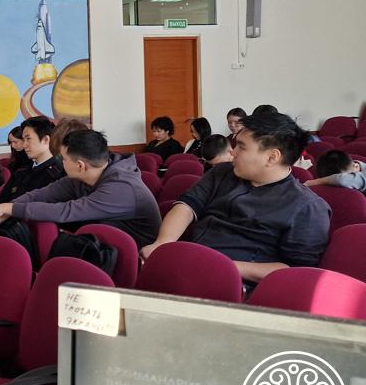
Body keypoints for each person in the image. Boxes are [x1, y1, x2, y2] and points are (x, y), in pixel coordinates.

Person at [140, 112, 332, 284]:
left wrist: (222, 265)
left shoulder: (307, 207)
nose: (232, 151)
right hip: (190, 264)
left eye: (241, 147)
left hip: (238, 285)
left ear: (272, 157)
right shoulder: (222, 172)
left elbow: (296, 270)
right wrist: (162, 244)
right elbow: (187, 205)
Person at [0, 129, 162, 247]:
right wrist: (6, 211)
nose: (61, 163)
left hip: (135, 257)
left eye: (64, 159)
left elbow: (65, 211)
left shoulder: (121, 188)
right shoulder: (83, 176)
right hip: (103, 247)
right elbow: (43, 194)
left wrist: (10, 209)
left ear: (80, 165)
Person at [0, 117, 65, 204]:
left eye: (28, 139)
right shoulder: (20, 173)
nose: (24, 145)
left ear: (46, 140)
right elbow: (1, 204)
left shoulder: (60, 174)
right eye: (23, 140)